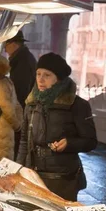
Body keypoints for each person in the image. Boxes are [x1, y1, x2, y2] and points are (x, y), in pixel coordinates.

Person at [17, 53, 97, 201]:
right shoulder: (31, 103)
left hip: (62, 178)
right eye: (38, 74)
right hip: (34, 174)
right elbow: (23, 140)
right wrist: (18, 169)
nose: (40, 79)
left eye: (47, 75)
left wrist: (69, 143)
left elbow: (91, 141)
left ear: (58, 78)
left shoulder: (77, 105)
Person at [5, 31, 36, 159]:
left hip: (22, 111)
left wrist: (16, 115)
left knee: (19, 147)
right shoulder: (21, 58)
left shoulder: (22, 61)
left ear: (13, 44)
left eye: (5, 45)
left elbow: (20, 91)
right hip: (22, 110)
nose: (5, 49)